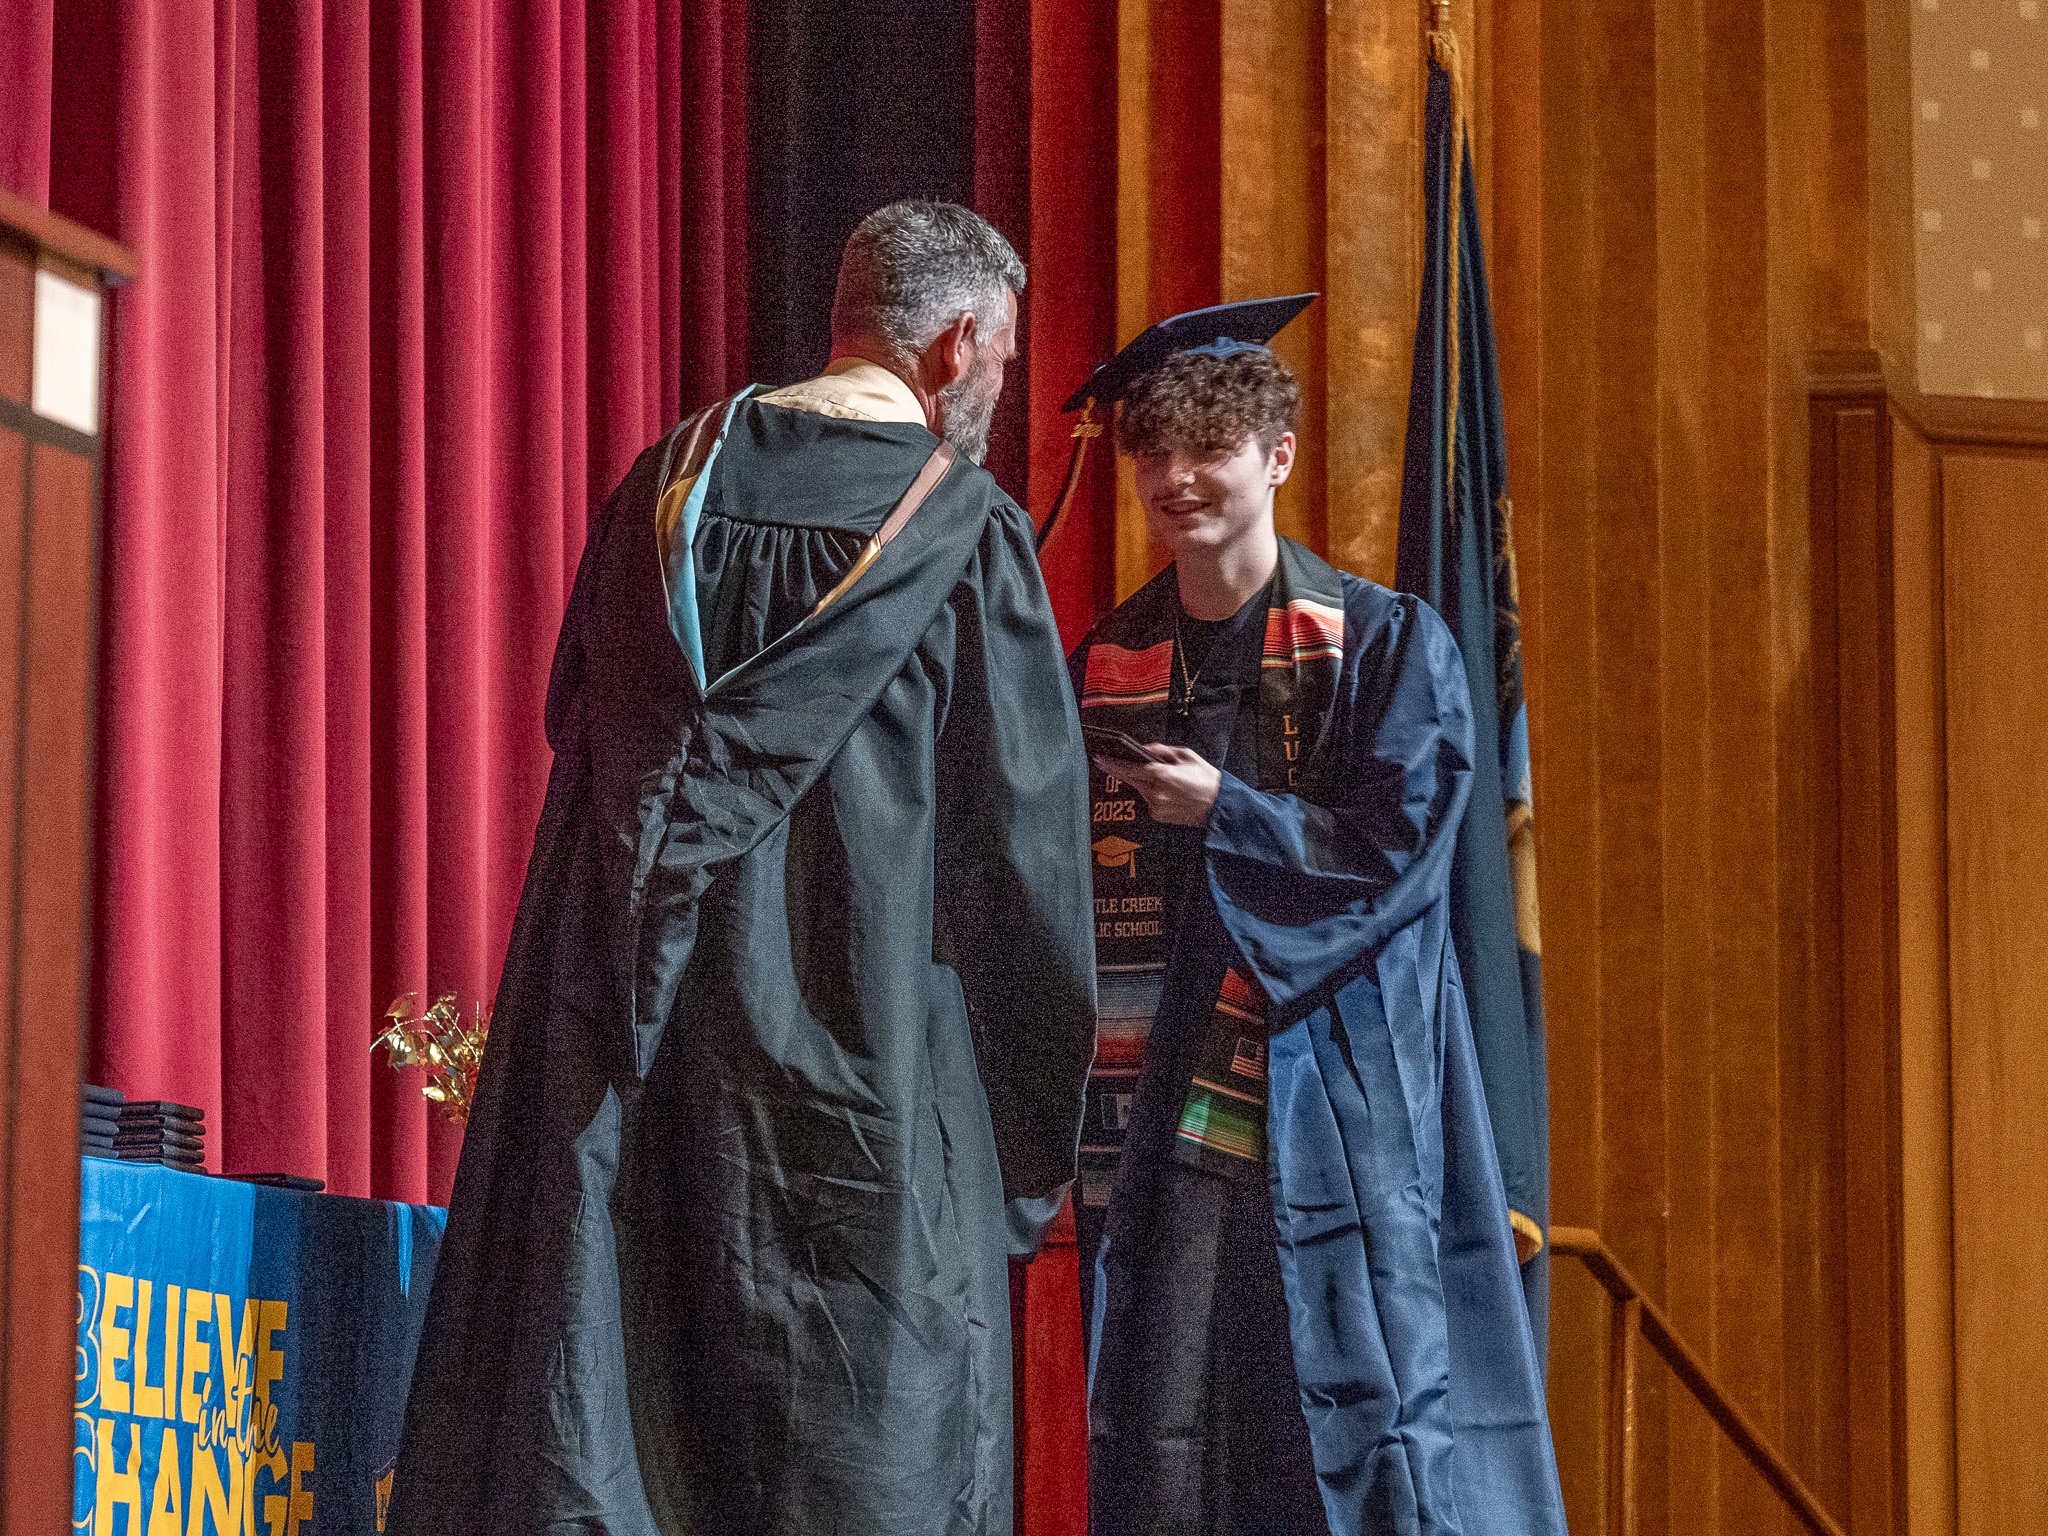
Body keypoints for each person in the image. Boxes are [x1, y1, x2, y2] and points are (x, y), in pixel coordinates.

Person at [390, 201, 1096, 1536]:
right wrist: (1019, 1148)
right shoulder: (966, 536)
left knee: (624, 1429)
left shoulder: (665, 488)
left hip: (636, 1059)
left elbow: (576, 725)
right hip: (868, 1087)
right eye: (1002, 361)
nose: (998, 391)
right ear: (957, 345)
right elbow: (1022, 864)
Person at [1066, 300, 1567, 1536]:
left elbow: (1398, 854)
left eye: (1208, 449)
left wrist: (1226, 811)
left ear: (1276, 456)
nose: (1176, 478)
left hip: (1326, 1094)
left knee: (1347, 1405)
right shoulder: (1105, 665)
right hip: (1158, 1101)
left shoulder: (1385, 646)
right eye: (1152, 452)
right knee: (1166, 1410)